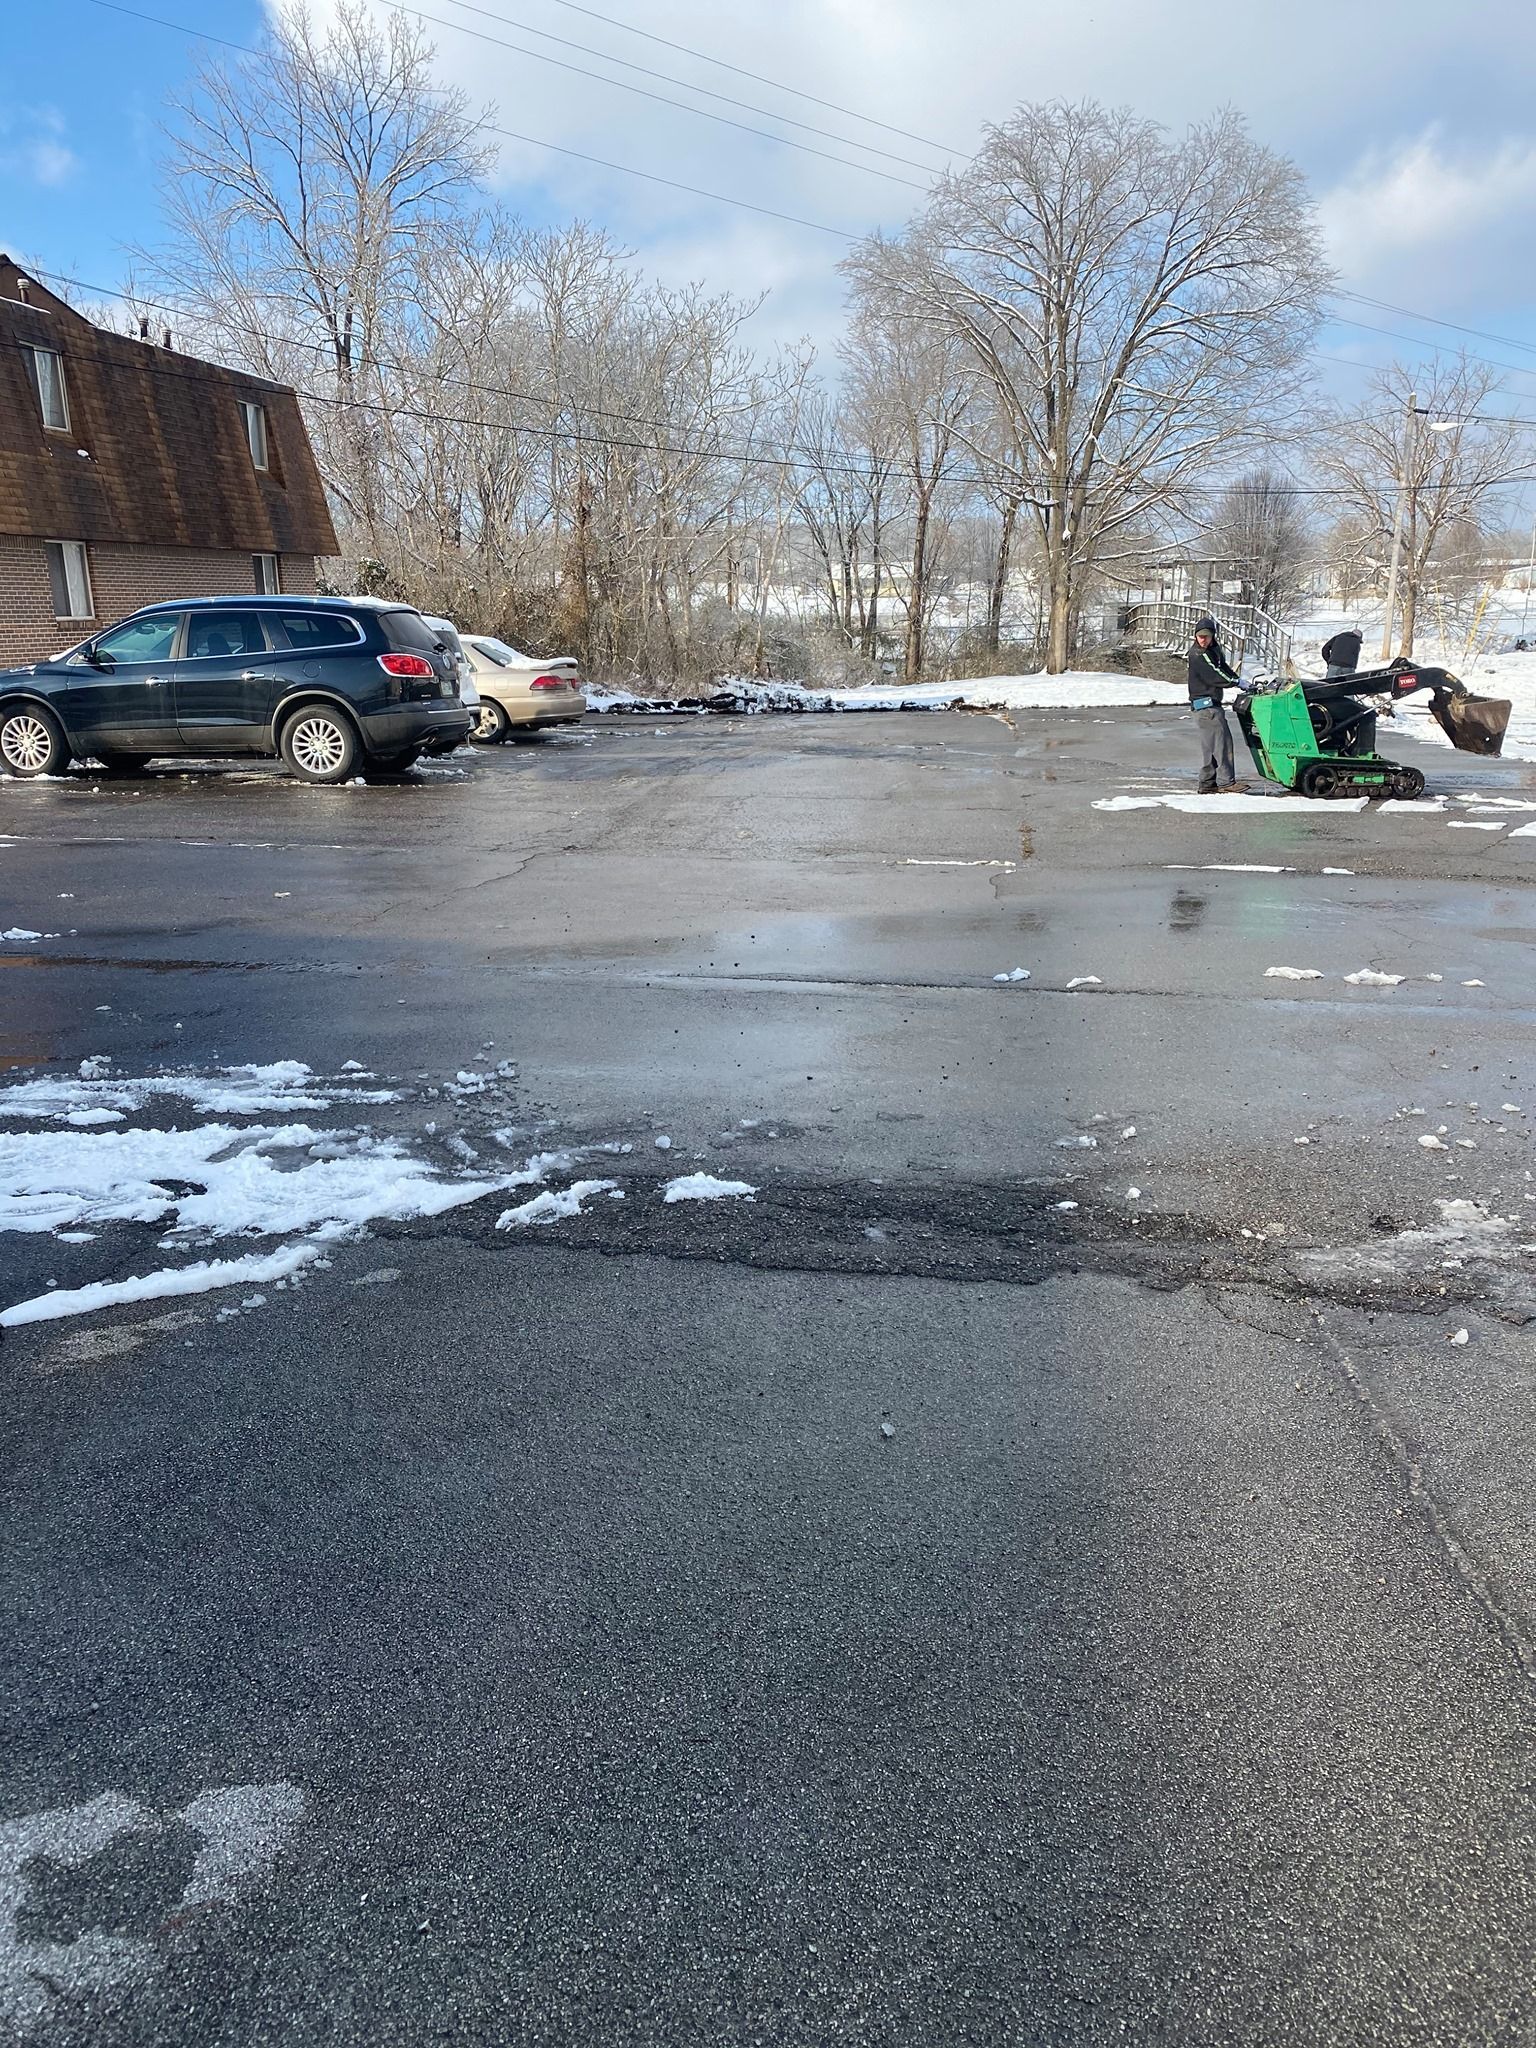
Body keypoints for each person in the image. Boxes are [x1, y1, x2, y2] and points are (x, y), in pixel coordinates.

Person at [1186, 615, 1245, 794]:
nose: (1203, 640)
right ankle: (1227, 782)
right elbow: (1215, 675)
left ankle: (1207, 783)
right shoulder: (1198, 655)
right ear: (1195, 636)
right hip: (1206, 706)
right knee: (1222, 744)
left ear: (1213, 636)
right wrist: (1236, 683)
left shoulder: (1213, 651)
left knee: (1211, 745)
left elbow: (1223, 668)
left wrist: (1238, 679)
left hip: (1208, 705)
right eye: (1200, 636)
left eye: (1207, 636)